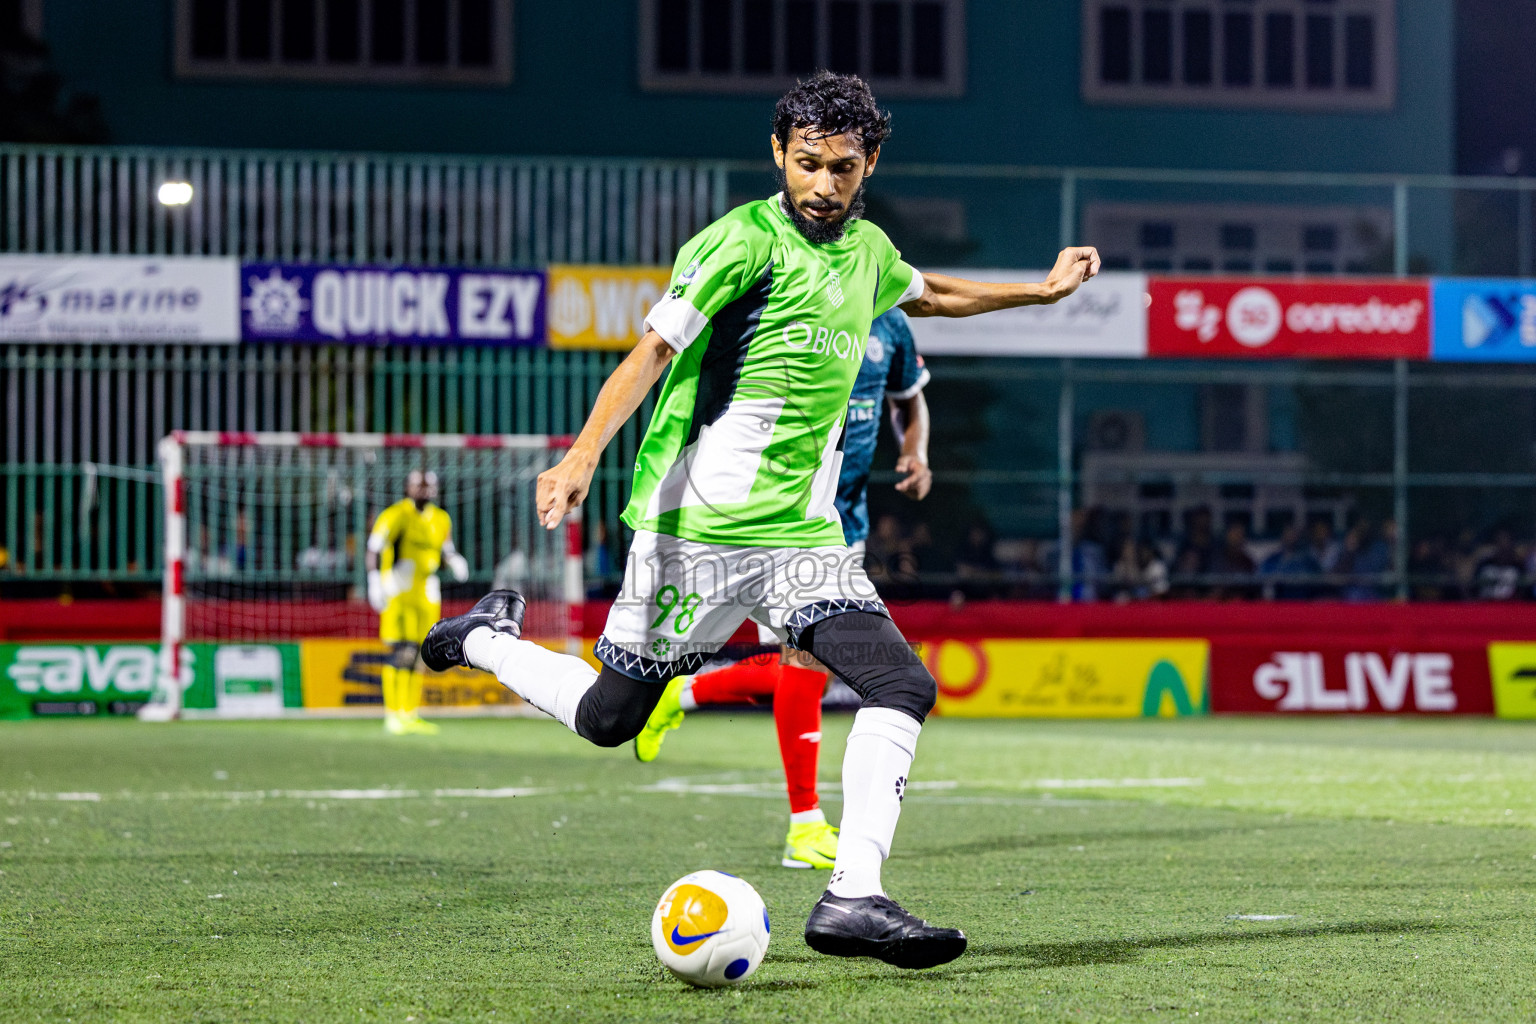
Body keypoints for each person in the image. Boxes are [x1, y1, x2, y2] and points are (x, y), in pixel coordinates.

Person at [421, 71, 1100, 969]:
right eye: (809, 163)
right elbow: (653, 350)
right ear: (780, 153)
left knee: (902, 686)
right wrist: (583, 451)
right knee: (608, 718)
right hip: (691, 534)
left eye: (843, 168)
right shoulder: (739, 242)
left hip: (800, 541)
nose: (825, 184)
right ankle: (482, 639)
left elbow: (925, 292)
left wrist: (1038, 294)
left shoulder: (868, 254)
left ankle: (853, 898)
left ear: (869, 165)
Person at [629, 306, 934, 872]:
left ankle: (685, 695)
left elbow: (909, 399)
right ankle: (804, 824)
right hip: (781, 518)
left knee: (813, 666)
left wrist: (913, 451)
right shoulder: (798, 303)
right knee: (808, 665)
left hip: (847, 520)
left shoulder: (889, 323)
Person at [365, 469, 469, 736]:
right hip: (399, 591)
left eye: (428, 486)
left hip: (427, 592)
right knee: (402, 651)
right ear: (408, 488)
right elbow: (374, 548)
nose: (424, 491)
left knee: (421, 654)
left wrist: (454, 560)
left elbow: (446, 550)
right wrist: (375, 581)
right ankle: (393, 714)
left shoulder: (441, 519)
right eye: (418, 486)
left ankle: (410, 713)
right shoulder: (395, 515)